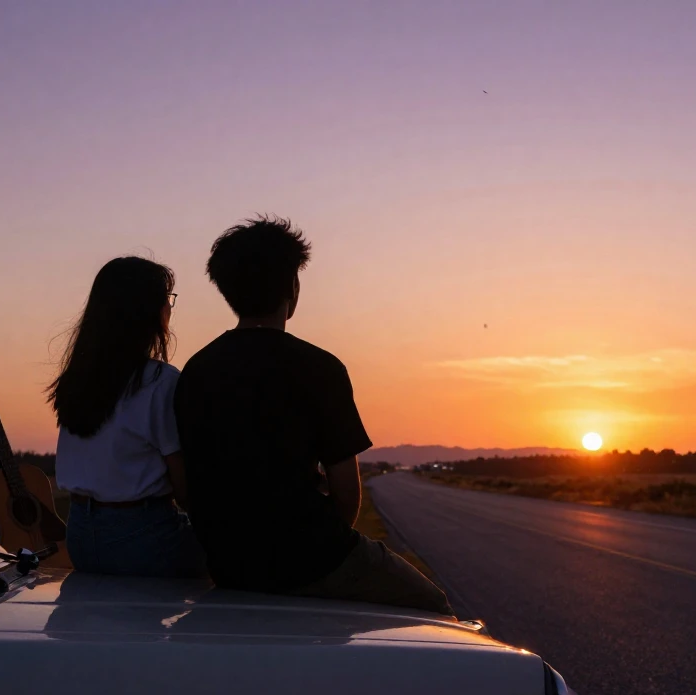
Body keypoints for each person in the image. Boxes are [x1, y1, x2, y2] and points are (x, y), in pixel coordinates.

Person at [174, 216, 453, 615]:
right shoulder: (320, 367)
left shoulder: (195, 372)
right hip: (311, 557)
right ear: (293, 287)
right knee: (435, 609)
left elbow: (192, 485)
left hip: (230, 565)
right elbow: (347, 495)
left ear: (227, 290)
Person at [47, 255, 207, 578]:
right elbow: (185, 489)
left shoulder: (77, 380)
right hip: (142, 536)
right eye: (167, 300)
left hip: (79, 534)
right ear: (147, 312)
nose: (170, 308)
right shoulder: (159, 381)